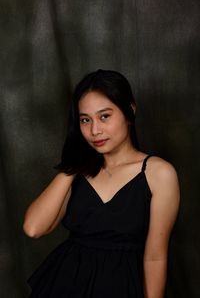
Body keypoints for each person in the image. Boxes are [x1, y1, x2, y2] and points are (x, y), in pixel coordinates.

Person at [23, 69, 180, 298]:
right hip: (64, 285)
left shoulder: (159, 173)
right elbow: (33, 228)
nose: (95, 130)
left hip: (121, 287)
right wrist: (72, 166)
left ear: (130, 111)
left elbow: (155, 257)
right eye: (85, 120)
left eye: (104, 116)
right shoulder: (77, 173)